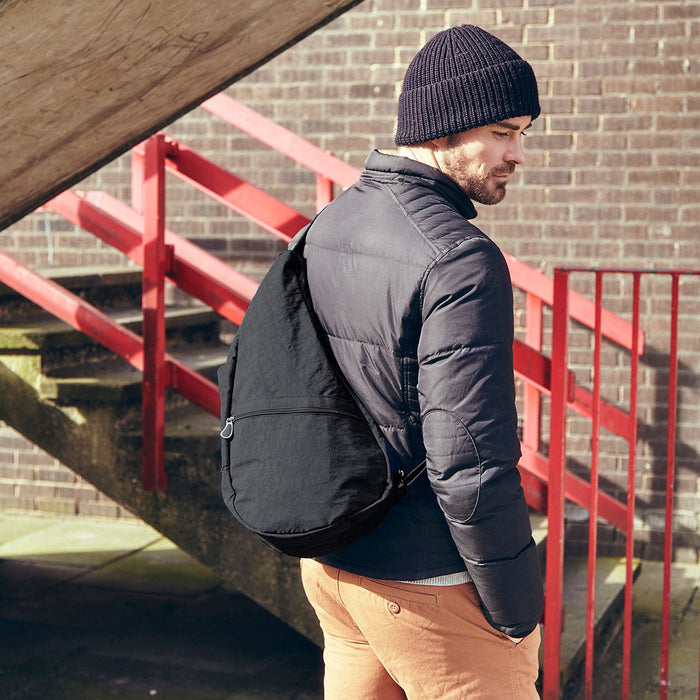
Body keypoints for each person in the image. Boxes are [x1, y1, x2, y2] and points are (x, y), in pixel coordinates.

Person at [297, 25, 544, 699]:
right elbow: (470, 459)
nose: (518, 153)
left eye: (523, 133)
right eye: (501, 131)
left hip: (335, 562)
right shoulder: (460, 257)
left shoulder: (329, 223)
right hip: (427, 580)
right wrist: (517, 605)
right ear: (442, 127)